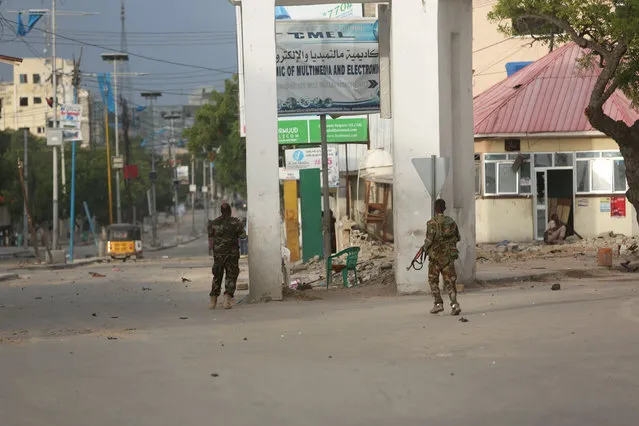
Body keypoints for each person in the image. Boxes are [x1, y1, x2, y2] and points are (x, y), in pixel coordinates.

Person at [423, 199, 462, 316]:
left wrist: (424, 248)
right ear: (444, 208)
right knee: (450, 282)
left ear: (435, 209)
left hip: (435, 258)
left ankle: (438, 304)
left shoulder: (431, 223)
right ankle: (455, 305)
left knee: (432, 280)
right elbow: (458, 237)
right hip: (448, 257)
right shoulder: (451, 222)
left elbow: (429, 241)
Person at [208, 203, 247, 310]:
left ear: (221, 211)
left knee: (217, 276)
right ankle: (227, 298)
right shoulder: (235, 223)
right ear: (230, 210)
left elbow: (210, 237)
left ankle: (213, 301)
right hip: (232, 255)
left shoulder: (214, 223)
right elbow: (243, 236)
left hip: (218, 255)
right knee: (231, 275)